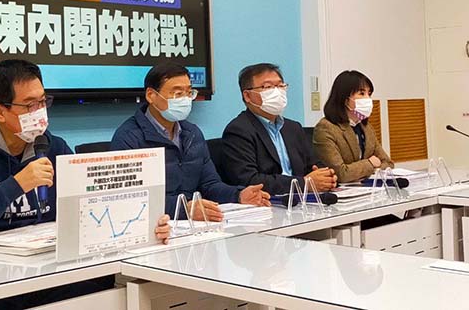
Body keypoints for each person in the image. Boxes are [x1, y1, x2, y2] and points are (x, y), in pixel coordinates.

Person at [0, 59, 170, 309]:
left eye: (43, 102)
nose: (39, 112)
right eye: (29, 105)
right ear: (1, 112)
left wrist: (145, 227)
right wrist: (15, 185)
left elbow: (93, 213)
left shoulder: (53, 147)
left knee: (110, 290)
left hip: (50, 273)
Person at [111, 62, 271, 223]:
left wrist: (238, 195)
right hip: (156, 226)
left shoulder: (192, 133)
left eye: (189, 92)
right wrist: (184, 209)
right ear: (151, 95)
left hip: (192, 226)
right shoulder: (129, 138)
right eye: (177, 93)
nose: (185, 99)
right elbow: (132, 199)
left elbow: (210, 184)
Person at [221, 63, 336, 195]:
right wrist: (304, 183)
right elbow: (249, 180)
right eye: (268, 87)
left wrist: (327, 177)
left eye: (280, 86)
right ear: (247, 95)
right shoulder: (238, 131)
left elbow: (314, 164)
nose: (277, 92)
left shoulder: (293, 128)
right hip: (270, 202)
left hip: (304, 200)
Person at [313, 70, 394, 183]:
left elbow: (388, 163)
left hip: (366, 188)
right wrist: (370, 163)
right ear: (345, 99)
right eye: (362, 93)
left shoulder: (366, 127)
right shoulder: (326, 128)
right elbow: (340, 173)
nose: (368, 99)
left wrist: (360, 171)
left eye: (369, 94)